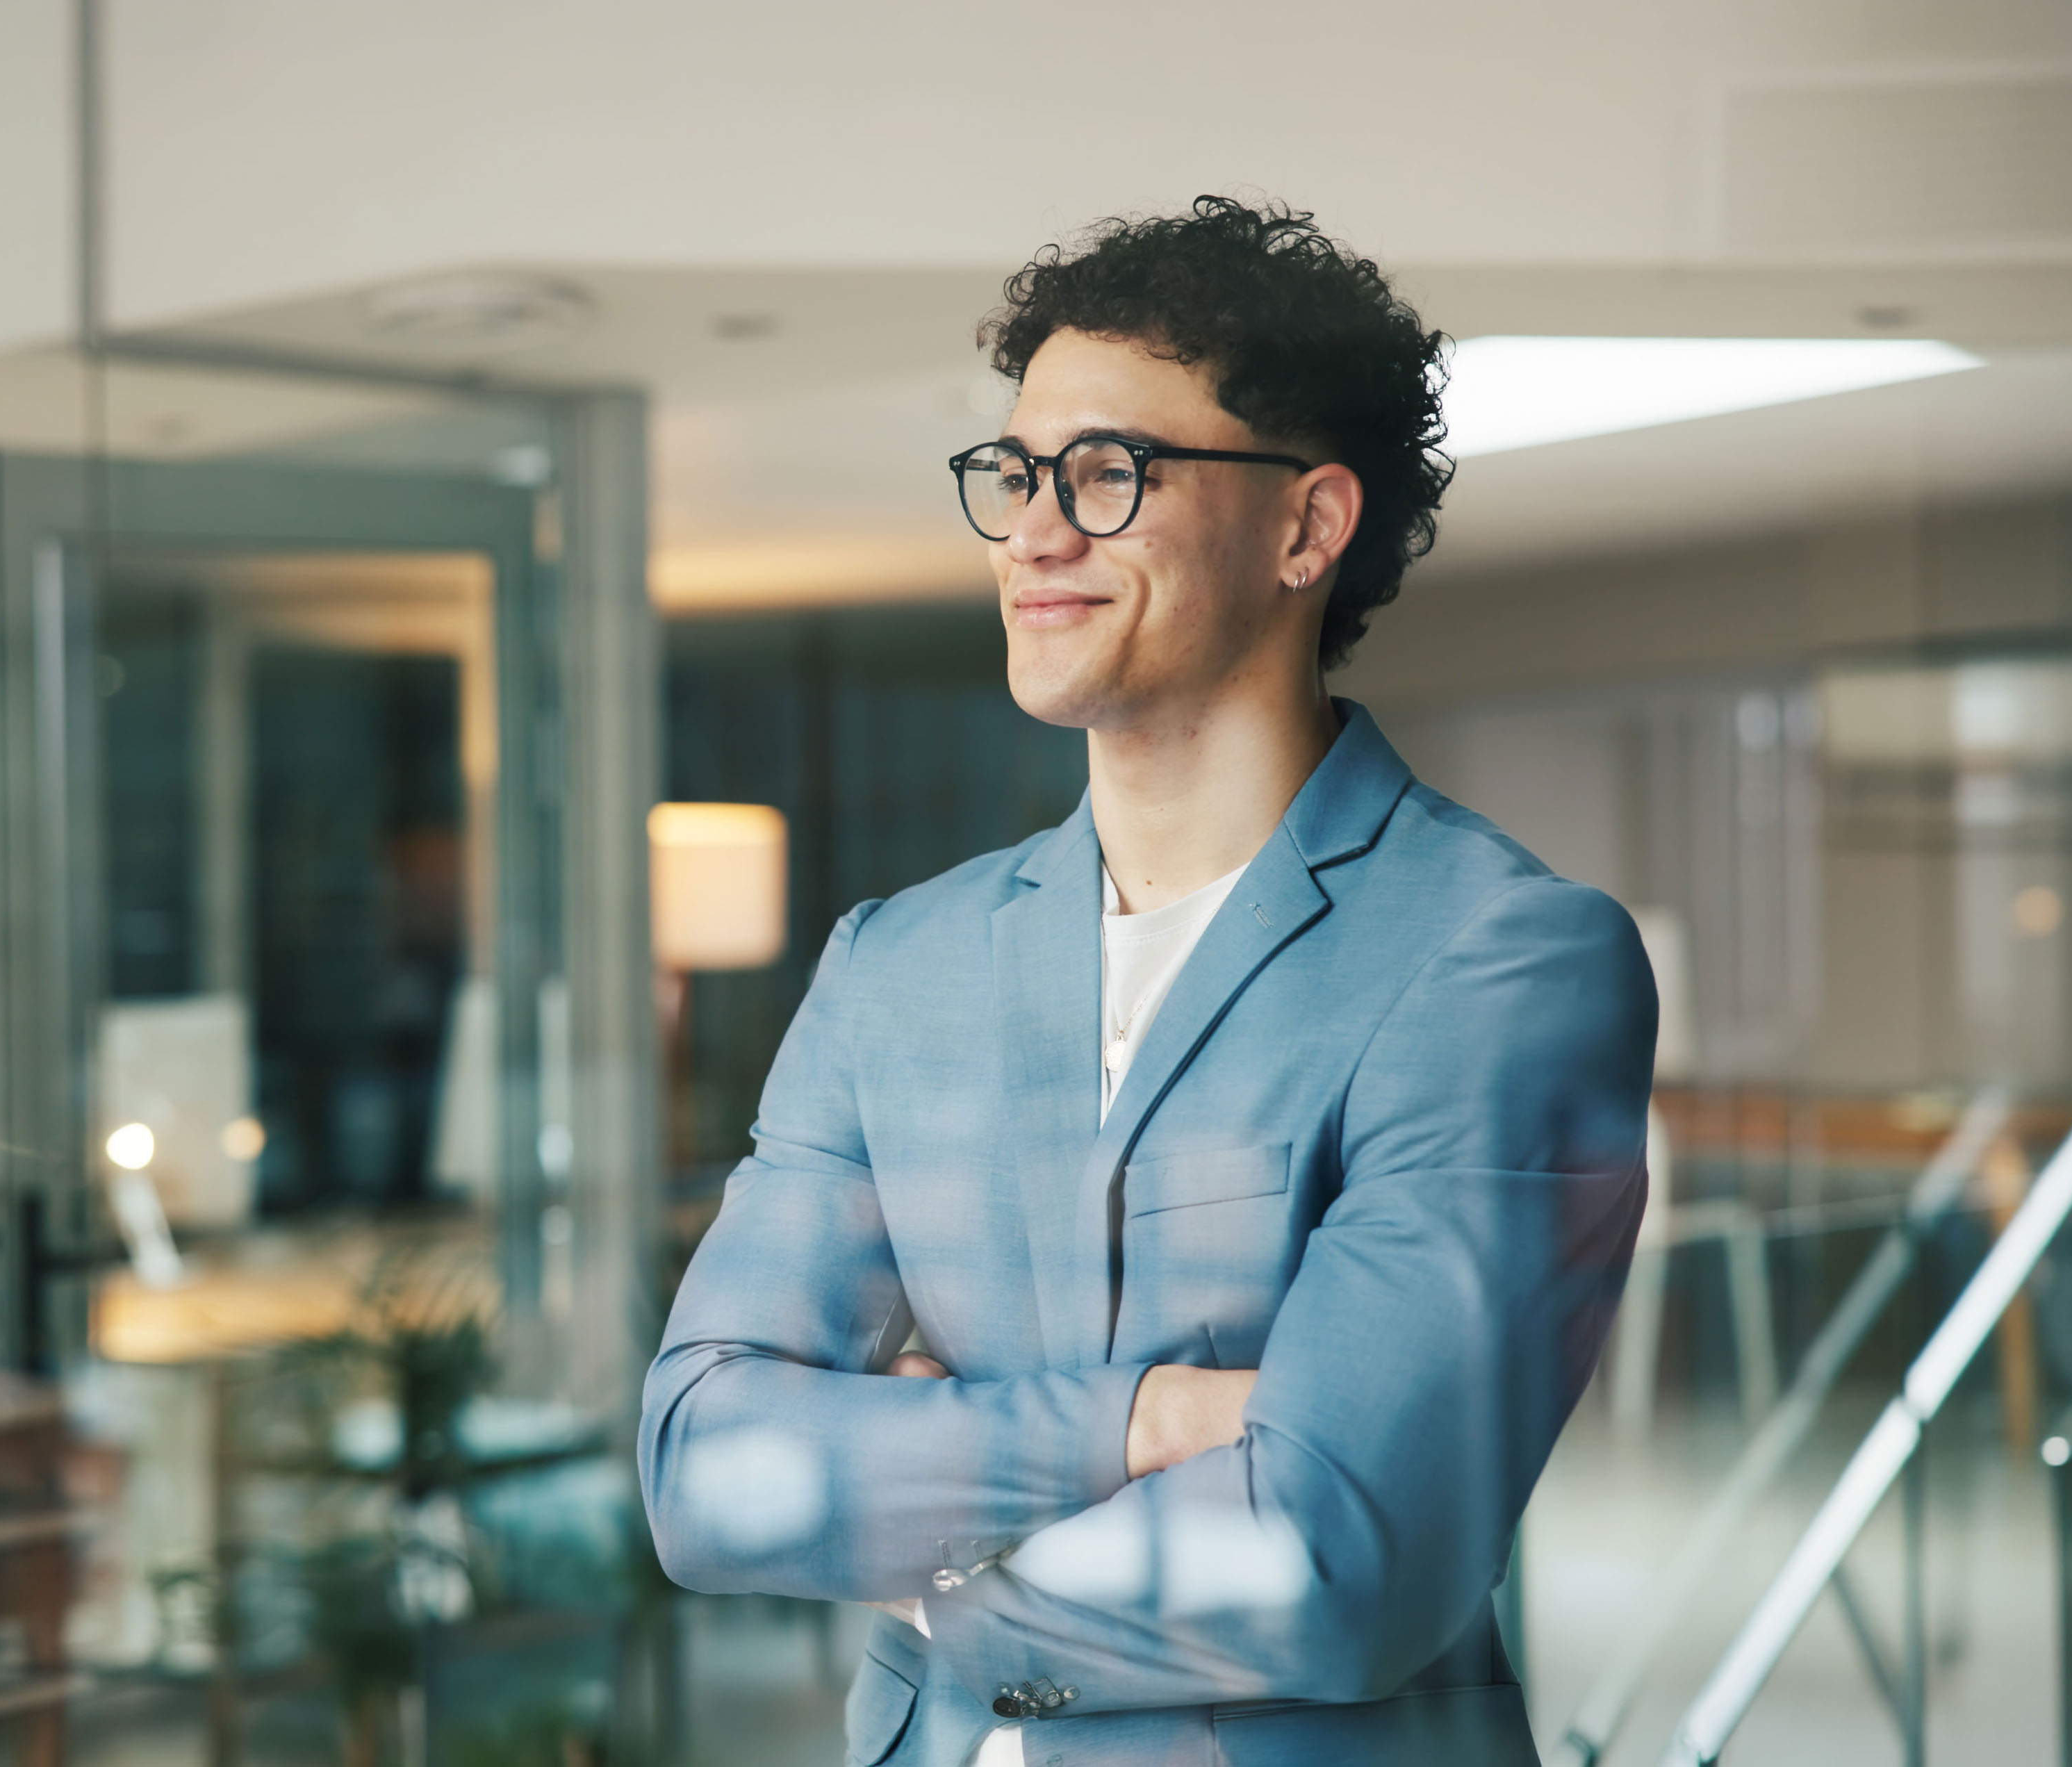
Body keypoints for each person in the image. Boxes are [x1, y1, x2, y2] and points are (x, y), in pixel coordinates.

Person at [636, 197, 1656, 1766]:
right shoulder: (892, 966)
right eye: (1012, 473)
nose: (1033, 531)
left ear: (1304, 529)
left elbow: (1330, 1572)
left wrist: (922, 1556)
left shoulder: (1498, 964)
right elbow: (706, 1474)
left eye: (1107, 473)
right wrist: (1152, 1425)